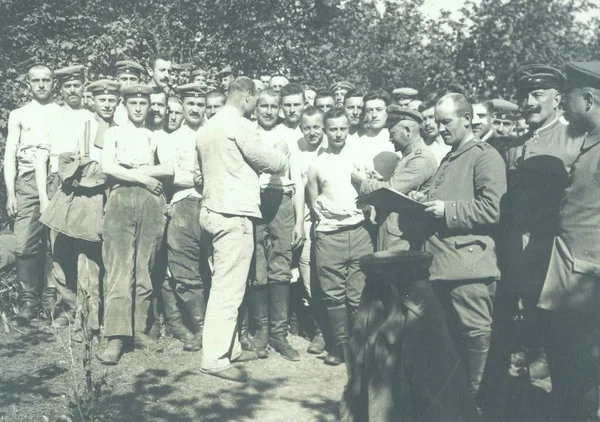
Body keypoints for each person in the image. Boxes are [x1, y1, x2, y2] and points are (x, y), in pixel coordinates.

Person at [411, 93, 506, 401]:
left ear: (467, 119)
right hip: (441, 267)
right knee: (449, 354)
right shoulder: (450, 157)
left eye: (446, 121)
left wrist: (447, 211)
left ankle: (476, 408)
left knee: (475, 345)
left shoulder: (484, 156)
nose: (440, 128)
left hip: (468, 271)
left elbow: (494, 209)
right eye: (437, 122)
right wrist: (422, 202)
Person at [196, 77, 287, 383]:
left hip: (210, 210)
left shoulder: (207, 127)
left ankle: (229, 347)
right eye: (255, 100)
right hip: (233, 214)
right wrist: (282, 149)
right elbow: (273, 163)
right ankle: (214, 360)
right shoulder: (241, 126)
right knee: (229, 287)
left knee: (221, 282)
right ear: (247, 97)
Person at [504, 64, 583, 384]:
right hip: (518, 249)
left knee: (557, 331)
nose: (528, 102)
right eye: (524, 95)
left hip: (554, 249)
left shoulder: (574, 140)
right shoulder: (515, 145)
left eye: (537, 94)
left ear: (557, 99)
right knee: (526, 319)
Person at [536, 61, 600, 421]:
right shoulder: (589, 142)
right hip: (570, 283)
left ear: (588, 99)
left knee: (583, 382)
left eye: (569, 95)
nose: (562, 103)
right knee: (570, 380)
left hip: (588, 286)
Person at [97, 84, 174, 365]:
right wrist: (142, 177)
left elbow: (169, 168)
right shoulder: (114, 133)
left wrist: (130, 171)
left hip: (151, 202)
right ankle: (116, 336)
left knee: (144, 268)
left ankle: (138, 331)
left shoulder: (155, 136)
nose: (139, 108)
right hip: (119, 199)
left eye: (144, 103)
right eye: (134, 103)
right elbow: (108, 167)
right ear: (125, 105)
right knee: (119, 267)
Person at [39, 79, 115, 335]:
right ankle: (69, 309)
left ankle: (91, 316)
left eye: (112, 99)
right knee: (62, 254)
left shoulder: (121, 127)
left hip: (105, 197)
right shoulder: (80, 125)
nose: (107, 104)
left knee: (91, 259)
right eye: (102, 99)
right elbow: (68, 164)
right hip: (76, 198)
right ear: (92, 100)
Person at [307, 108, 374, 366]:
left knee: (358, 294)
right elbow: (315, 205)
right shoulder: (317, 164)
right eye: (332, 129)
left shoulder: (359, 160)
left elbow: (370, 193)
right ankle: (339, 345)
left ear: (349, 128)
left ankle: (358, 346)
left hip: (358, 233)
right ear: (324, 130)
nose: (337, 134)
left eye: (342, 129)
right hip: (329, 236)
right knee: (333, 294)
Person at [247, 88, 303, 361]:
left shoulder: (290, 135)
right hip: (254, 201)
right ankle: (261, 332)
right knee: (257, 265)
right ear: (256, 108)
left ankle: (280, 335)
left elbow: (300, 181)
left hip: (282, 200)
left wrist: (300, 222)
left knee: (281, 265)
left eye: (273, 106)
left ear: (280, 109)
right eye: (264, 106)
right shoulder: (247, 132)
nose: (268, 111)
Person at [6, 64, 62, 326]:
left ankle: (52, 298)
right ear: (28, 84)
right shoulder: (19, 114)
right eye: (35, 80)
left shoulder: (61, 113)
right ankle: (28, 301)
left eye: (46, 80)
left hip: (56, 179)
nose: (41, 85)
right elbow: (9, 156)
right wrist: (11, 193)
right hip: (27, 181)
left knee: (55, 240)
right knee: (24, 241)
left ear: (54, 83)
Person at [157, 83, 208, 351]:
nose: (196, 109)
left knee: (219, 266)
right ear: (183, 106)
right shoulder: (172, 139)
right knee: (185, 270)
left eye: (201, 104)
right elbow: (170, 174)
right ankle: (200, 328)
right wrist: (197, 178)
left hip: (215, 204)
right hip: (184, 203)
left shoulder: (215, 134)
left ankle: (228, 327)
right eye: (191, 104)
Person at [353, 107, 437, 251]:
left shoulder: (421, 157)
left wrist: (363, 182)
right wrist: (379, 180)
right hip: (394, 235)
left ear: (407, 131)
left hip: (403, 240)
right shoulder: (410, 155)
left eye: (392, 133)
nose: (390, 138)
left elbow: (392, 190)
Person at [293, 106, 328, 354]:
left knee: (329, 275)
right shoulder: (298, 153)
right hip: (308, 219)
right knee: (308, 274)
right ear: (301, 128)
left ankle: (336, 332)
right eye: (307, 127)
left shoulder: (334, 148)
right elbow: (297, 189)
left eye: (317, 126)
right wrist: (299, 224)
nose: (312, 132)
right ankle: (320, 330)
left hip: (332, 220)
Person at [353, 90, 394, 172]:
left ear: (388, 111)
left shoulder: (396, 139)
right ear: (365, 114)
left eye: (379, 109)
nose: (374, 115)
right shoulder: (358, 144)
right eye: (370, 110)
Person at [420, 99, 451, 167]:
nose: (427, 123)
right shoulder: (419, 147)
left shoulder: (452, 146)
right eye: (424, 119)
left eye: (431, 117)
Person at [113, 60, 145, 126]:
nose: (128, 83)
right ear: (117, 81)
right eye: (124, 79)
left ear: (139, 81)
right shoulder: (111, 104)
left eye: (133, 79)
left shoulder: (144, 104)